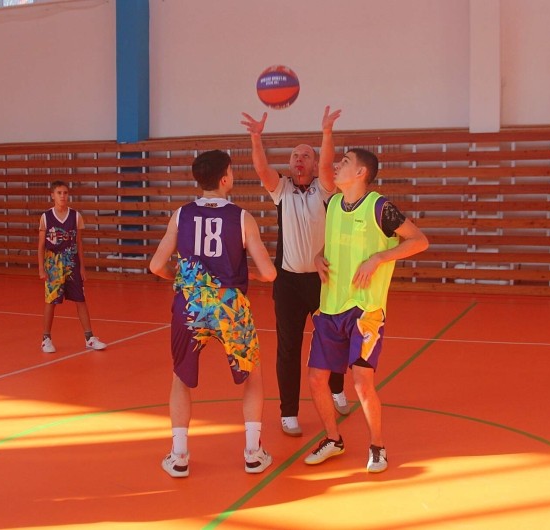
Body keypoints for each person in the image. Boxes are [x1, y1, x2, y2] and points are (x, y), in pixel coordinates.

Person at [304, 111, 429, 473]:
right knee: (316, 379)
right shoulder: (333, 205)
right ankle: (333, 439)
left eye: (344, 162)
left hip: (365, 310)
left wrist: (379, 257)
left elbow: (419, 240)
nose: (337, 166)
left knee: (361, 382)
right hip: (330, 306)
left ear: (360, 172)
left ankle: (377, 446)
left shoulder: (379, 207)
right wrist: (318, 256)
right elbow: (333, 244)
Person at [149, 149, 277, 478]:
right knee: (252, 375)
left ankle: (179, 456)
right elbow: (270, 273)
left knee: (180, 377)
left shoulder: (181, 215)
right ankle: (253, 453)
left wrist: (181, 280)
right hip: (229, 304)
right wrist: (251, 276)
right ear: (224, 178)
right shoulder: (242, 218)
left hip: (190, 304)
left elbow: (156, 265)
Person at [240, 107, 349, 438]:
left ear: (314, 165)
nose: (299, 160)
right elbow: (262, 169)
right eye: (294, 156)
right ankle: (289, 411)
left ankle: (336, 388)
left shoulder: (324, 188)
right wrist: (256, 138)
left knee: (333, 340)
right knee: (288, 348)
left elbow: (328, 165)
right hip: (288, 283)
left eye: (305, 156)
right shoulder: (282, 189)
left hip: (322, 281)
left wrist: (326, 133)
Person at [38, 180, 107, 354]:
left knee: (80, 299)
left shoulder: (75, 216)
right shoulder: (46, 217)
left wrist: (82, 267)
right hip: (53, 264)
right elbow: (41, 245)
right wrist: (41, 268)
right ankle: (46, 339)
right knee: (51, 300)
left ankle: (89, 338)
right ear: (52, 195)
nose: (63, 196)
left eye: (65, 193)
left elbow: (79, 243)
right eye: (59, 193)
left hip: (72, 262)